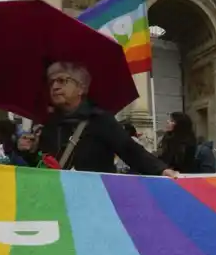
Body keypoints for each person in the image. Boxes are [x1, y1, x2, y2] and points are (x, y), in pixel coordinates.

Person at [37, 62, 176, 176]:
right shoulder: (50, 124)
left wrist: (160, 169)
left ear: (81, 88)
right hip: (57, 199)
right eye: (51, 83)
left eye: (62, 80)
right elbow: (39, 164)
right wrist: (28, 151)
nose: (55, 87)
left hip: (96, 198)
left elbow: (129, 149)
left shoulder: (100, 119)